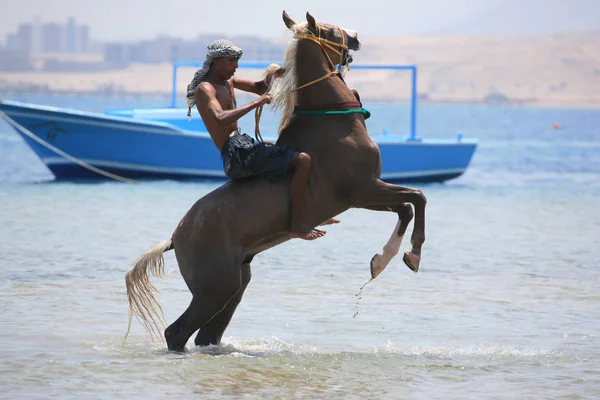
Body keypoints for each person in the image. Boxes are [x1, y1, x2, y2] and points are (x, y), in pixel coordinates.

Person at [186, 39, 338, 240]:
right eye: (232, 61)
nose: (236, 66)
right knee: (302, 160)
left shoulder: (228, 82)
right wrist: (256, 103)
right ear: (217, 61)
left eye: (237, 61)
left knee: (294, 149)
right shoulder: (205, 89)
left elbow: (260, 88)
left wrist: (281, 73)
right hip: (236, 155)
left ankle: (307, 211)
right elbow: (219, 118)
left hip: (244, 145)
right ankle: (297, 225)